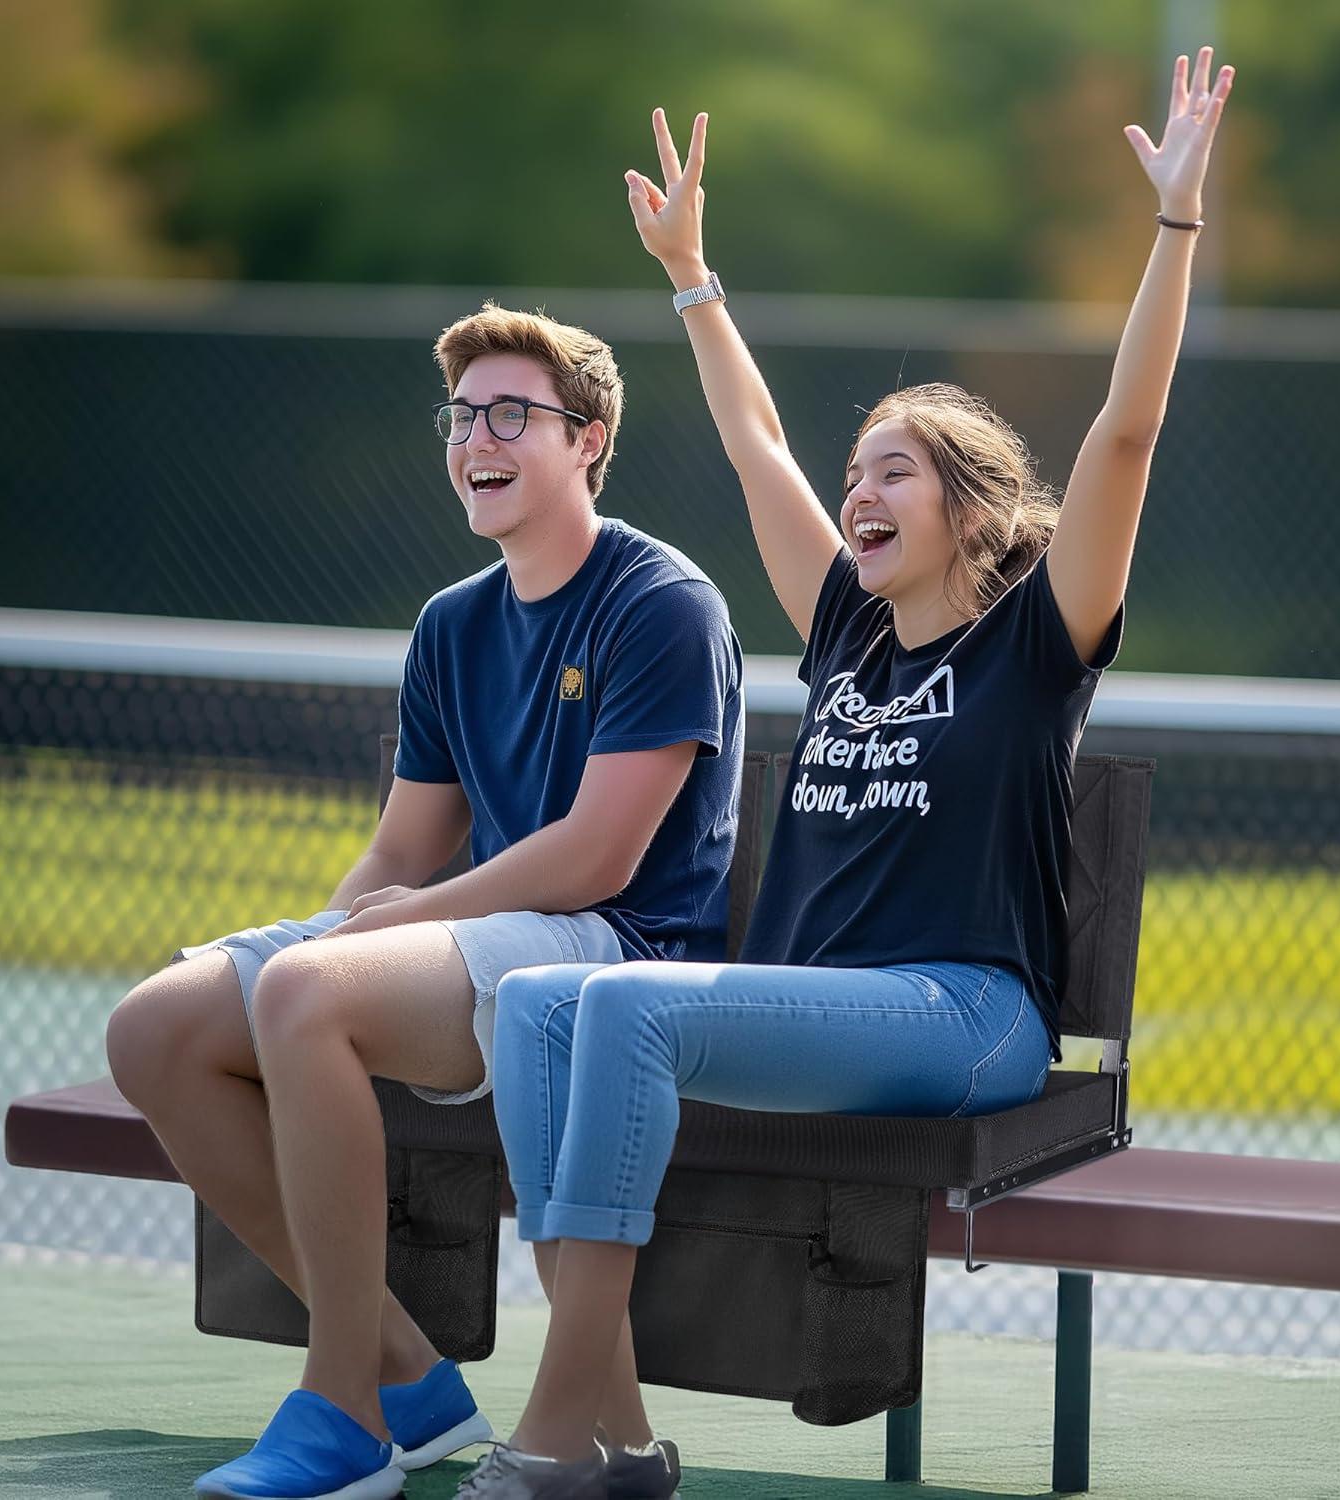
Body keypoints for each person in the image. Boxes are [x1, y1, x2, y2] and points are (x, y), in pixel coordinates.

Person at [457, 48, 1236, 1499]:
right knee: (534, 1001)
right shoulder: (847, 637)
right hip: (832, 1012)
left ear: (968, 508)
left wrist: (1175, 226)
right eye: (857, 470)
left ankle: (559, 1437)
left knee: (616, 1007)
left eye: (894, 472)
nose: (858, 492)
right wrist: (692, 274)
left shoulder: (1032, 643)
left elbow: (1125, 433)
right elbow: (755, 445)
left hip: (965, 1015)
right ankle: (612, 1424)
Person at [103, 304, 744, 1500]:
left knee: (308, 994)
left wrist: (375, 941)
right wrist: (328, 937)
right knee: (156, 1028)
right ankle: (411, 1377)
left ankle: (343, 1408)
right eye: (461, 416)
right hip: (481, 942)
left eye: (513, 415)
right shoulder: (452, 624)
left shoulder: (665, 602)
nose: (476, 439)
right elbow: (404, 844)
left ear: (588, 441)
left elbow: (600, 858)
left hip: (609, 960)